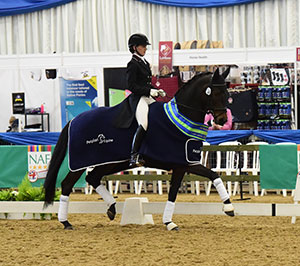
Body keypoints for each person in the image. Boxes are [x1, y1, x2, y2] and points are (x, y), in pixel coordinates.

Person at [126, 33, 165, 167]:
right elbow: (131, 86)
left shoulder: (144, 62)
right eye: (143, 46)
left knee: (161, 116)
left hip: (148, 97)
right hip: (139, 99)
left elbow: (145, 83)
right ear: (135, 47)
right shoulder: (132, 64)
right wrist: (149, 91)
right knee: (144, 123)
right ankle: (134, 155)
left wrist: (156, 90)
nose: (145, 49)